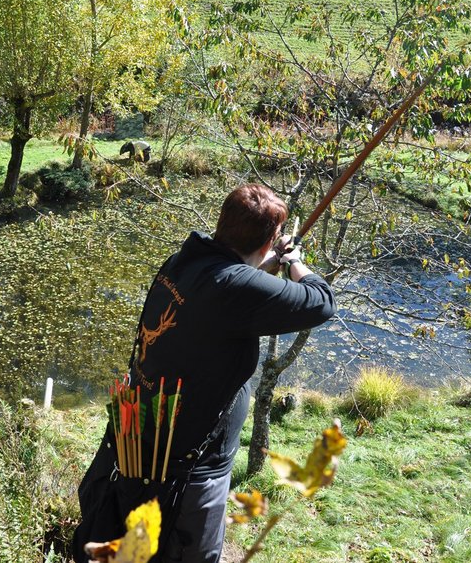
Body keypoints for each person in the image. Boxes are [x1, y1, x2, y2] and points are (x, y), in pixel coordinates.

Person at [79, 183, 336, 563]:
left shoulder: (187, 261)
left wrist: (265, 265)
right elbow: (321, 302)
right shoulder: (236, 288)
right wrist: (295, 261)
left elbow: (221, 297)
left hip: (140, 442)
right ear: (267, 241)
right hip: (192, 470)